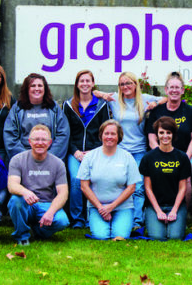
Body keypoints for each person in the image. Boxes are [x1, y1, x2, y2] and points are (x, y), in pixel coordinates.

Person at [97, 72, 158, 226]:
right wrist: (102, 94)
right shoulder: (115, 99)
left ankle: (137, 220)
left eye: (128, 83)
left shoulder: (144, 99)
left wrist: (155, 105)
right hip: (120, 150)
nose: (125, 87)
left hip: (139, 151)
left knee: (137, 187)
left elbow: (165, 99)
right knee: (118, 185)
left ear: (135, 84)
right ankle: (116, 216)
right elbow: (93, 92)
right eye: (122, 84)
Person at [62, 70, 111, 228]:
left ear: (92, 83)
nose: (84, 84)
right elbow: (65, 133)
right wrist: (75, 151)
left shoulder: (101, 105)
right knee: (76, 180)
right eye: (81, 81)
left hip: (96, 152)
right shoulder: (68, 105)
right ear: (77, 84)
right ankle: (78, 219)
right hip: (74, 152)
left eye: (87, 81)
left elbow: (106, 132)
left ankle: (93, 216)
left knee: (95, 182)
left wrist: (94, 151)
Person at [6, 125, 70, 246]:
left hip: (46, 204)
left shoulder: (58, 163)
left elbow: (63, 193)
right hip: (26, 204)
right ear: (29, 141)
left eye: (44, 140)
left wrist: (50, 212)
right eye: (36, 139)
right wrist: (26, 192)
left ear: (50, 142)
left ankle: (38, 231)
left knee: (62, 221)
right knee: (15, 201)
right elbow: (12, 185)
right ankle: (22, 236)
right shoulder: (17, 159)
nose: (40, 143)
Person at [78, 120, 141, 240]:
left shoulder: (127, 157)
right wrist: (101, 208)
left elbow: (131, 187)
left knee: (120, 236)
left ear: (119, 136)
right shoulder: (90, 157)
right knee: (100, 236)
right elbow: (84, 186)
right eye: (106, 133)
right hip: (97, 207)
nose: (109, 137)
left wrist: (111, 207)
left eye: (113, 134)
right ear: (101, 135)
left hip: (122, 206)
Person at [139, 117, 192, 240]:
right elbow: (147, 188)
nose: (165, 136)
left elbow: (183, 188)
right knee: (157, 236)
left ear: (173, 134)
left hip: (176, 205)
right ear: (157, 135)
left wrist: (174, 210)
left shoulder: (182, 157)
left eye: (168, 133)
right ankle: (152, 219)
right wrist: (158, 211)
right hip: (154, 205)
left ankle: (176, 221)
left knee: (175, 237)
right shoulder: (148, 158)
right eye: (161, 132)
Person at [4, 72, 70, 161]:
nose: (37, 88)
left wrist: (49, 158)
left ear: (45, 88)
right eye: (33, 86)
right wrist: (27, 159)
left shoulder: (53, 107)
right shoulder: (18, 108)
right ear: (27, 89)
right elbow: (10, 136)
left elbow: (63, 134)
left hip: (49, 159)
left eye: (40, 86)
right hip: (23, 160)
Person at [145, 72, 192, 159]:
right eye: (171, 87)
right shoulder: (156, 111)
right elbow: (152, 140)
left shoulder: (191, 111)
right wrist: (163, 157)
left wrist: (186, 158)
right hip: (160, 156)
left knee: (190, 169)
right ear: (166, 90)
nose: (174, 90)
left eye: (177, 87)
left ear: (182, 90)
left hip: (185, 156)